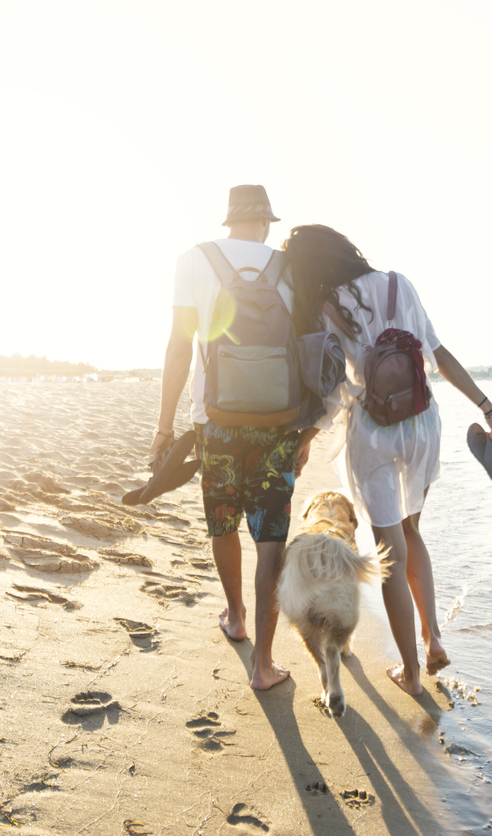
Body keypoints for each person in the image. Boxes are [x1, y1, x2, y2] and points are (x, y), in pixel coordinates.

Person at [283, 224, 492, 697]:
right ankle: (433, 638)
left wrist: (304, 439)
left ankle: (410, 674)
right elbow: (438, 354)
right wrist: (487, 408)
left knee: (390, 552)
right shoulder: (397, 284)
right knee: (412, 533)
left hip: (372, 432)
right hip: (422, 426)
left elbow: (336, 395)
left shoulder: (329, 307)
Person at [150, 185, 317, 691]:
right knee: (270, 538)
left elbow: (180, 346)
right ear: (266, 222)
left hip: (214, 420)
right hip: (278, 422)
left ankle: (236, 615)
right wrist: (306, 431)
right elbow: (309, 352)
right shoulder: (289, 266)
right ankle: (264, 666)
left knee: (222, 519)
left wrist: (163, 427)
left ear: (229, 220)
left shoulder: (195, 259)